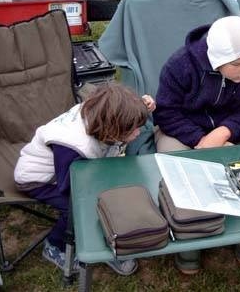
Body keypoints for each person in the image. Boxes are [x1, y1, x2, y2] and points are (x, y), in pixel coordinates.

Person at [153, 15, 240, 274]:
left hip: (233, 127)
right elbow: (166, 112)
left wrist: (224, 132)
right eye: (238, 64)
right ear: (218, 60)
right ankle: (189, 243)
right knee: (178, 166)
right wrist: (199, 140)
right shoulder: (180, 65)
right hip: (183, 130)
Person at [14, 82, 156, 275]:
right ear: (111, 130)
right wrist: (100, 197)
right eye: (131, 130)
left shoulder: (100, 111)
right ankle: (55, 246)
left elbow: (120, 109)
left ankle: (108, 236)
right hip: (40, 180)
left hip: (72, 168)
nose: (138, 132)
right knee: (79, 209)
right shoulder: (72, 146)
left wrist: (140, 106)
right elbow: (72, 190)